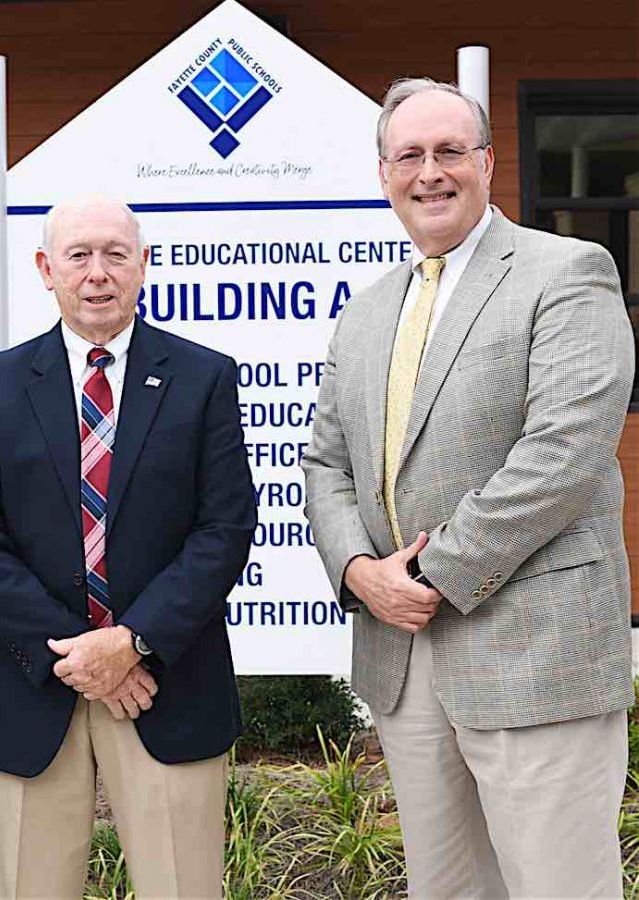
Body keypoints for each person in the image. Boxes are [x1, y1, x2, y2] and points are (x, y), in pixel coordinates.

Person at [302, 77, 635, 898]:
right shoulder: (369, 310)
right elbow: (326, 465)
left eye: (450, 151)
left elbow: (562, 454)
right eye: (409, 155)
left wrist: (424, 574)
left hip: (536, 657)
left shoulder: (567, 271)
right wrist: (357, 572)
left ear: (487, 163)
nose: (430, 172)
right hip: (406, 665)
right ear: (384, 173)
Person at [0, 196, 256, 899]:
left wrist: (132, 642)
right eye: (79, 256)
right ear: (45, 269)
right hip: (32, 684)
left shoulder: (204, 378)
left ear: (144, 265)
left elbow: (225, 528)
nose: (98, 273)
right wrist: (83, 653)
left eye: (116, 254)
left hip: (165, 685)